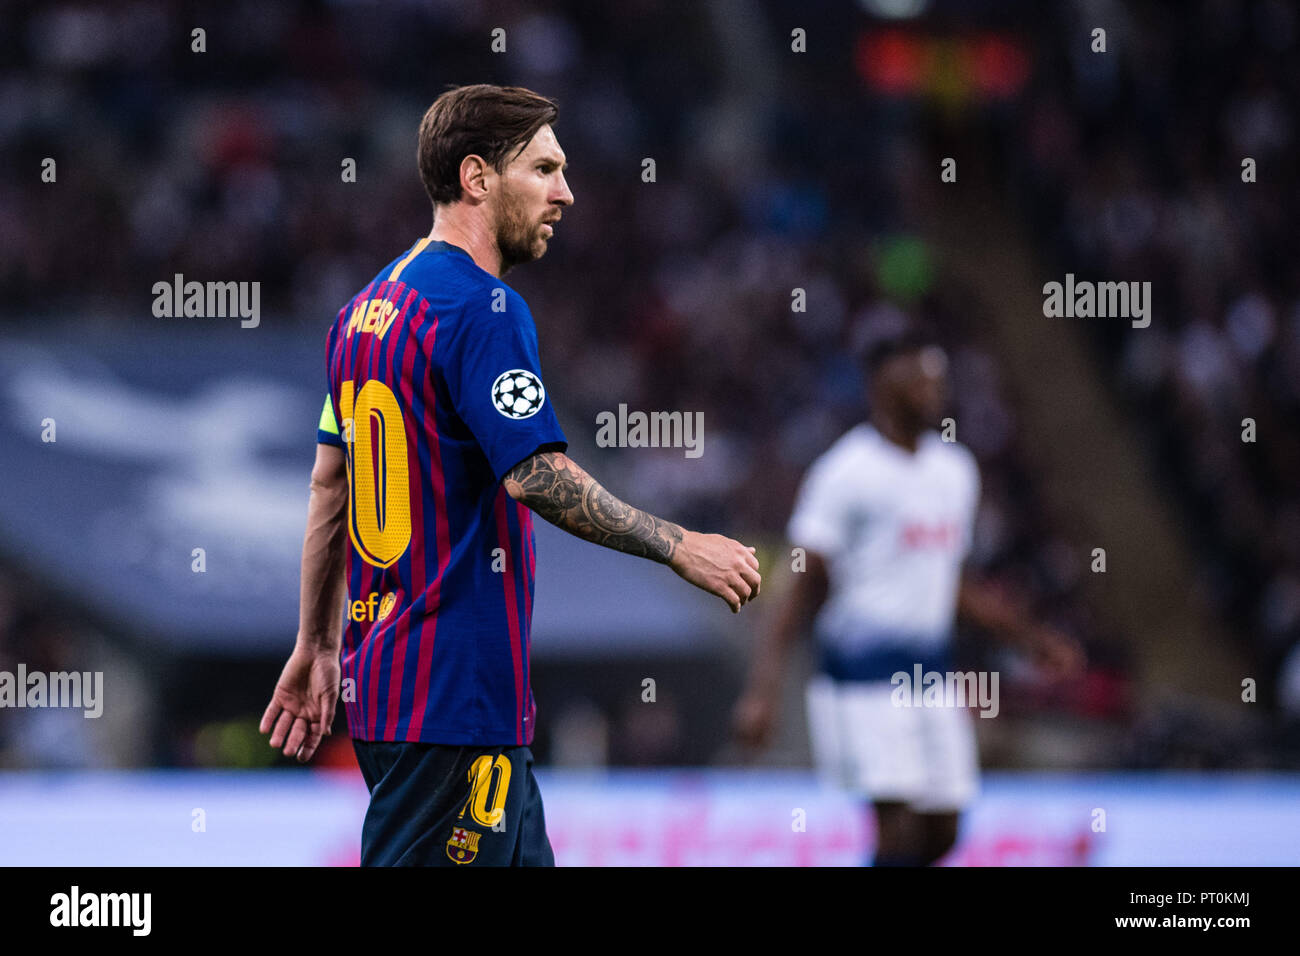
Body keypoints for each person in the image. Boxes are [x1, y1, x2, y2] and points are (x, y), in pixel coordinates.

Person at [259, 84, 761, 866]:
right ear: (477, 178)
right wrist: (678, 544)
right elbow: (535, 475)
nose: (566, 192)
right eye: (545, 168)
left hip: (415, 692)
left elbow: (332, 485)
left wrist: (318, 642)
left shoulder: (360, 314)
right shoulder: (483, 310)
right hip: (452, 701)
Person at [733, 329, 1081, 866]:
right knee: (894, 827)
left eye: (938, 378)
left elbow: (950, 582)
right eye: (918, 376)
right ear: (880, 383)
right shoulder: (845, 473)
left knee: (944, 827)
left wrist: (1032, 639)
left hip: (932, 672)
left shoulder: (955, 471)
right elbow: (799, 584)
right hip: (862, 673)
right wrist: (764, 688)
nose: (932, 389)